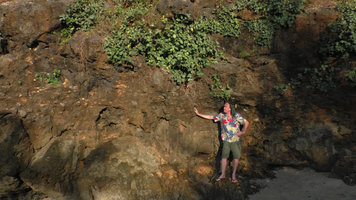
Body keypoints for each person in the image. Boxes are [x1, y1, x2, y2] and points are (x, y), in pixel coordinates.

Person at [194, 102, 249, 183]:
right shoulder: (221, 115)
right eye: (224, 106)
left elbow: (246, 122)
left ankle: (233, 175)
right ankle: (223, 174)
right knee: (224, 158)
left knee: (236, 158)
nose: (224, 108)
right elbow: (210, 117)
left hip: (235, 140)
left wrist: (243, 131)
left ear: (230, 108)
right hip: (226, 141)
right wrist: (198, 114)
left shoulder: (236, 116)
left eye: (226, 107)